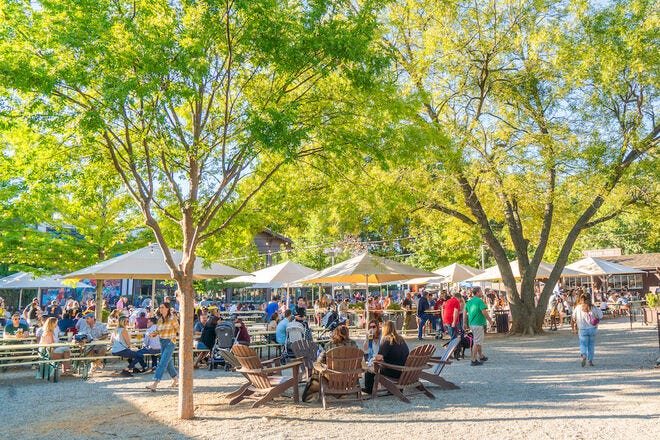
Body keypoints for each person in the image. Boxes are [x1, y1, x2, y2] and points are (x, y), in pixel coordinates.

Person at [362, 321, 409, 394]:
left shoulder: (386, 339)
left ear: (385, 328)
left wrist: (373, 360)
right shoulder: (400, 339)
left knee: (369, 368)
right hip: (403, 371)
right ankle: (394, 389)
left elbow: (379, 357)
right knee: (372, 365)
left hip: (392, 371)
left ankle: (369, 389)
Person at [145, 302, 179, 391]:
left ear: (168, 308)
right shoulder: (159, 320)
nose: (161, 309)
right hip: (162, 342)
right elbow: (157, 332)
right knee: (168, 363)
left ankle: (155, 384)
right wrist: (151, 335)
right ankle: (176, 379)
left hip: (170, 342)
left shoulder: (173, 319)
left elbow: (179, 329)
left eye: (163, 307)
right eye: (160, 307)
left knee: (162, 363)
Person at [464, 287, 494, 366]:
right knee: (477, 342)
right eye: (481, 291)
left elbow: (464, 313)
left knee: (478, 340)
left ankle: (481, 356)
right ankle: (473, 360)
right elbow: (484, 311)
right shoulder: (480, 301)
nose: (482, 293)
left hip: (472, 324)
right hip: (478, 324)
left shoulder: (469, 302)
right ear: (477, 292)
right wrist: (490, 320)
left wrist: (465, 323)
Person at [573, 294, 603, 367]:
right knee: (591, 345)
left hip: (582, 329)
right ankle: (590, 361)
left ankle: (583, 354)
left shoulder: (578, 308)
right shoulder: (593, 307)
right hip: (592, 328)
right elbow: (601, 316)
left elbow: (573, 317)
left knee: (583, 344)